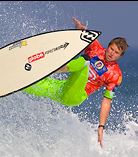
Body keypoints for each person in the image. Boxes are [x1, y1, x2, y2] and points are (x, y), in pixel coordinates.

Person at [23, 17, 129, 148]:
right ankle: (13, 81)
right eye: (111, 49)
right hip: (63, 89)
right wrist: (79, 26)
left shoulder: (115, 74)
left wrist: (101, 126)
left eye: (116, 52)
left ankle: (60, 68)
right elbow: (83, 34)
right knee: (32, 84)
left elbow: (107, 100)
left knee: (85, 61)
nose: (112, 53)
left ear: (120, 55)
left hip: (77, 95)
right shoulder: (95, 48)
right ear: (108, 46)